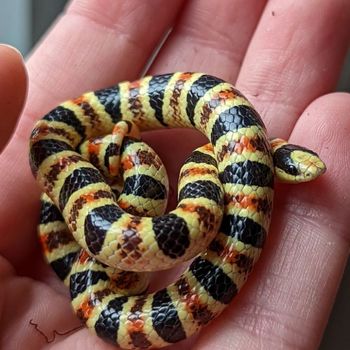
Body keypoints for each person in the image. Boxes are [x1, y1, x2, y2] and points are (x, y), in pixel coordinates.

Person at [0, 1, 349, 349]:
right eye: (293, 170)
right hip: (102, 255)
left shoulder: (208, 160)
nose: (306, 173)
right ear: (268, 160)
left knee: (140, 180)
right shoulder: (224, 150)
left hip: (106, 289)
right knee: (94, 160)